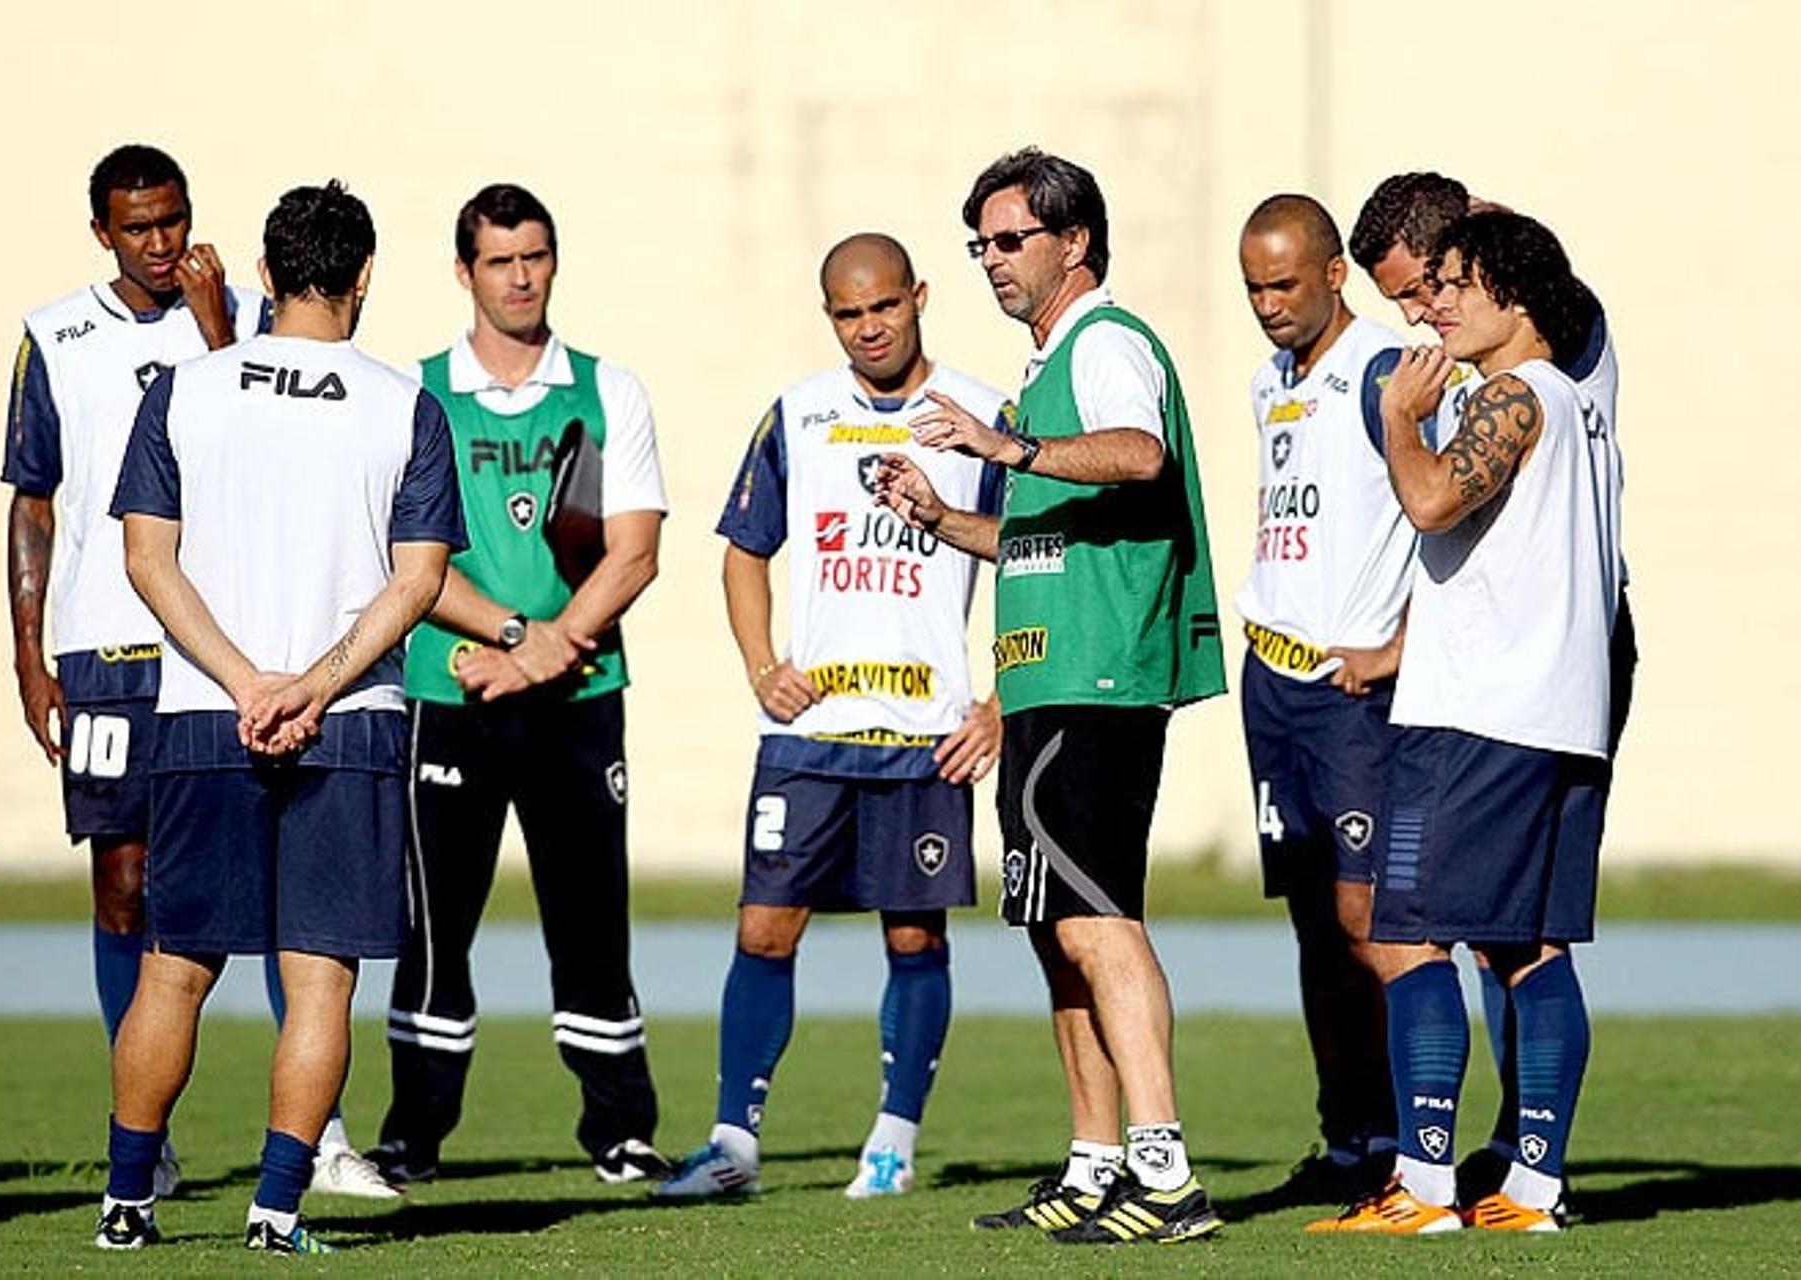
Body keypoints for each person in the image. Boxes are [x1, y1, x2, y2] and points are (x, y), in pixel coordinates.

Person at [96, 180, 465, 1253]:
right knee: (319, 976)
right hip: (348, 718)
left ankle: (126, 1202)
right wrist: (313, 682)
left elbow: (145, 559)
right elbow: (420, 580)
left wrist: (249, 678)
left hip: (208, 711)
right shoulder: (406, 403)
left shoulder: (183, 389)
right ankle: (275, 1209)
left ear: (263, 274)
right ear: (362, 277)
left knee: (176, 963)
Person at [876, 147, 1227, 1245]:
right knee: (1056, 929)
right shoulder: (1046, 367)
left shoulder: (1106, 343)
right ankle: (1095, 1161)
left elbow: (1139, 453)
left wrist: (1004, 441)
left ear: (1074, 241)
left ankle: (1167, 1171)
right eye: (979, 242)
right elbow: (1039, 536)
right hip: (1040, 675)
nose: (991, 259)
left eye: (1010, 237)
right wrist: (942, 515)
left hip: (1098, 676)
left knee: (1101, 920)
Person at [653, 234, 1005, 1202]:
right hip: (810, 735)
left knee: (914, 941)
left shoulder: (984, 417)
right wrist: (762, 666)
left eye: (884, 306)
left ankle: (892, 1141)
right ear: (830, 318)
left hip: (926, 732)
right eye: (849, 314)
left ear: (920, 296)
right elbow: (741, 552)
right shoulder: (799, 415)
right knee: (765, 929)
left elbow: (1039, 559)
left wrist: (998, 702)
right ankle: (734, 1143)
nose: (869, 327)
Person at [1307, 211, 1621, 1235]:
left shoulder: (1515, 395)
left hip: (1479, 717)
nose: (1432, 301)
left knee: (1405, 936)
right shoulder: (1582, 404)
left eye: (1453, 282)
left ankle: (1426, 1183)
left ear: (1516, 294)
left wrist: (1403, 417)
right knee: (1526, 944)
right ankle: (1532, 1189)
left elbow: (1437, 501)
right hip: (1561, 714)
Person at [367, 183, 671, 1188]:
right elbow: (407, 558)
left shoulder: (606, 388)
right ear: (465, 271)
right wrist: (506, 637)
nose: (521, 276)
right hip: (448, 692)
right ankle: (414, 1129)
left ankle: (620, 1125)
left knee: (591, 916)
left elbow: (632, 552)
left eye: (535, 255)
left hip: (578, 697)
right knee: (432, 924)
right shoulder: (418, 396)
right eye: (499, 260)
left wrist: (545, 650)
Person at [3, 144, 265, 1200]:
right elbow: (33, 500)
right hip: (105, 648)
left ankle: (315, 1120)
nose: (162, 246)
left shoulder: (246, 316)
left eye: (175, 221)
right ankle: (140, 1134)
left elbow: (256, 443)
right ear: (103, 231)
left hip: (216, 645)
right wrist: (29, 654)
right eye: (138, 227)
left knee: (254, 882)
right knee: (122, 886)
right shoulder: (55, 335)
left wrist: (215, 329)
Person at [1231, 193, 1423, 1203]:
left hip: (1350, 691)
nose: (1268, 304)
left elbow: (1457, 510)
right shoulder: (1270, 381)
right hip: (1275, 680)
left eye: (1285, 284)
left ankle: (1413, 1141)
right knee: (1312, 916)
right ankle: (1348, 1135)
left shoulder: (1388, 372)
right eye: (1254, 287)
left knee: (1369, 914)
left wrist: (1401, 644)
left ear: (1335, 272)